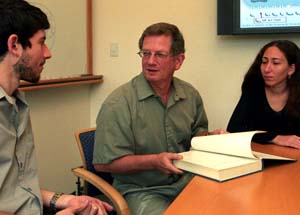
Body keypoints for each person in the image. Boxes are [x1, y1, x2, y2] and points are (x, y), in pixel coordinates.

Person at [93, 22, 225, 215]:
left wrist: (213, 138)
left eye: (159, 55)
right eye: (145, 53)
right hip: (141, 191)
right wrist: (153, 161)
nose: (150, 61)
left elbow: (197, 136)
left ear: (178, 61)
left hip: (187, 181)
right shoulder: (118, 103)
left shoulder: (190, 95)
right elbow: (103, 163)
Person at [0, 0, 113, 214]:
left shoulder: (17, 103)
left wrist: (65, 200)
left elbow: (15, 189)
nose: (48, 53)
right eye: (41, 42)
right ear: (14, 45)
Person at [227, 40, 300, 149]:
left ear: (291, 69)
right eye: (264, 62)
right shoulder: (254, 89)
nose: (267, 69)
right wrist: (275, 138)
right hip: (262, 155)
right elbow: (234, 129)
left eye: (275, 63)